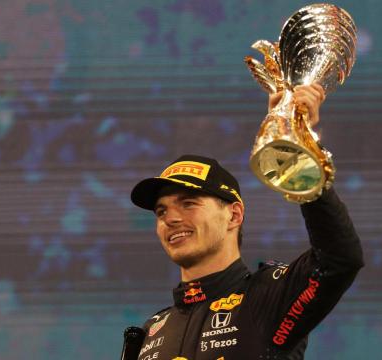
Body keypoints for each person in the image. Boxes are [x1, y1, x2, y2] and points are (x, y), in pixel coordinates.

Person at [128, 84, 364, 360]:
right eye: (161, 211)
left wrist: (296, 146)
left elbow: (339, 261)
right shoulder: (153, 332)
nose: (171, 218)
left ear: (235, 215)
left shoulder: (268, 298)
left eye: (188, 203)